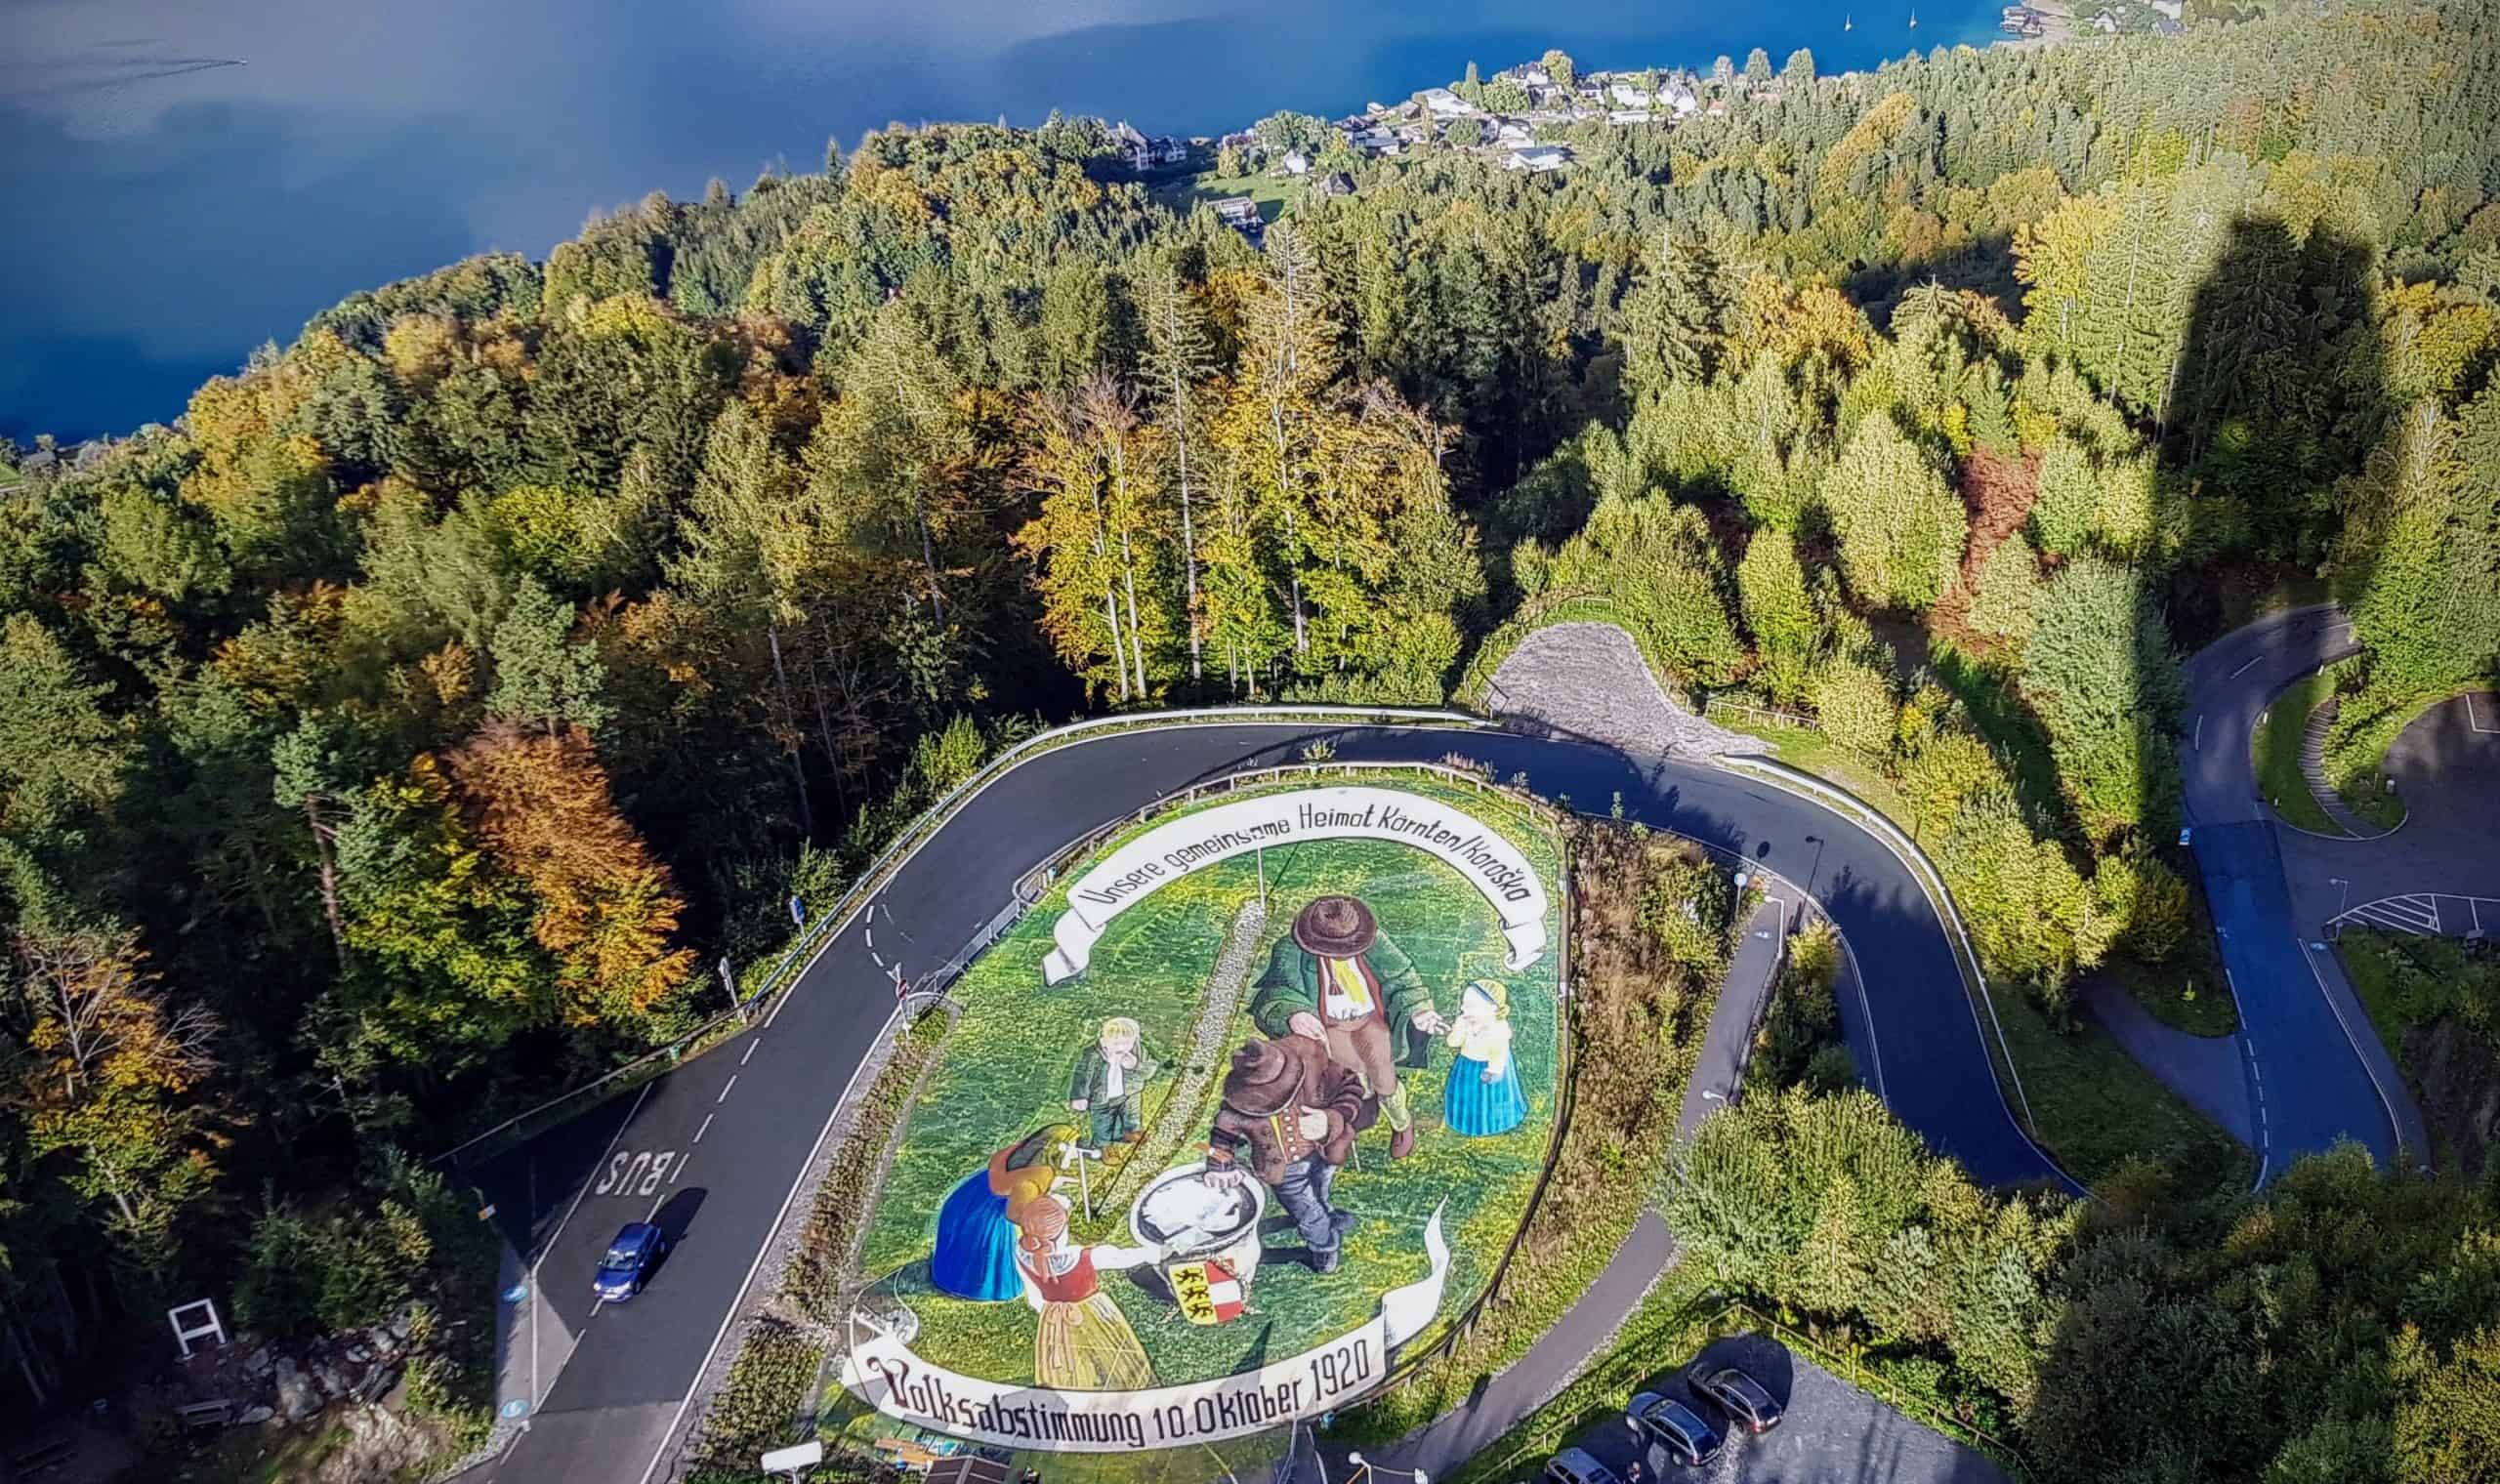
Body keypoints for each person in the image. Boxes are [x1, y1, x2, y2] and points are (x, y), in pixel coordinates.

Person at [1247, 895, 1446, 1160]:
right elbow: (1275, 993)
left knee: (1384, 1077)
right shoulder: (1289, 949)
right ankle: (1353, 1111)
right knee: (1350, 1075)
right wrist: (1294, 1013)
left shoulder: (1373, 940)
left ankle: (1401, 1123)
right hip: (1330, 1025)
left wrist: (1420, 1008)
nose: (1341, 956)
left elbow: (1403, 976)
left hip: (1370, 1018)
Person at [1202, 1036, 1374, 1272]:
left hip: (1321, 1155)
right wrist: (1219, 1166)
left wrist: (1330, 1119)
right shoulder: (1239, 1107)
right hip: (1285, 1171)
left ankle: (1327, 1216)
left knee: (1320, 1193)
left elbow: (1350, 1087)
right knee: (1309, 1212)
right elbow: (1223, 1137)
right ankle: (1324, 1246)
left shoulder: (1312, 1065)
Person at [1012, 1193, 1161, 1390]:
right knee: (1113, 1352)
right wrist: (1155, 1253)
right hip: (1093, 1310)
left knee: (1069, 1362)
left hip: (1053, 1318)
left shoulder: (1021, 1253)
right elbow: (1123, 1257)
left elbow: (1033, 1294)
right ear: (1062, 1230)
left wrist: (1048, 1309)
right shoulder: (1081, 1256)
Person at [929, 1125, 1073, 1301]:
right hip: (983, 1218)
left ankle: (952, 1275)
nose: (1073, 1155)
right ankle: (973, 1288)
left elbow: (1001, 1172)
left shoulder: (1021, 1155)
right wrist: (1049, 1223)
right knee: (983, 1256)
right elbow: (1015, 1214)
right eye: (1071, 1149)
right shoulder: (1035, 1178)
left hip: (967, 1200)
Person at [1441, 979, 1526, 1137]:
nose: (1463, 1008)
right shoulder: (1466, 1023)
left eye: (1470, 1005)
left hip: (1488, 1070)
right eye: (1464, 1004)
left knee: (1488, 1100)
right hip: (1466, 1066)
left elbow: (1499, 1053)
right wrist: (1458, 1029)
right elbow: (1452, 1042)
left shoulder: (1498, 1029)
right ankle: (1462, 1122)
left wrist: (1494, 1071)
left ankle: (1494, 1123)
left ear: (1492, 1008)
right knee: (1466, 1097)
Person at [1068, 1015, 1161, 1149]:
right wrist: (1079, 1096)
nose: (1122, 1047)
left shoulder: (1137, 1050)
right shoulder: (1093, 1055)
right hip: (1102, 1098)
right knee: (1103, 1124)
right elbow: (1082, 1075)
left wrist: (1136, 1065)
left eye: (1127, 1043)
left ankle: (1131, 1133)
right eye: (1116, 1043)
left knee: (1132, 1116)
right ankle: (1103, 1146)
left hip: (1129, 1094)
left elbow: (1150, 1069)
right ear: (1104, 1041)